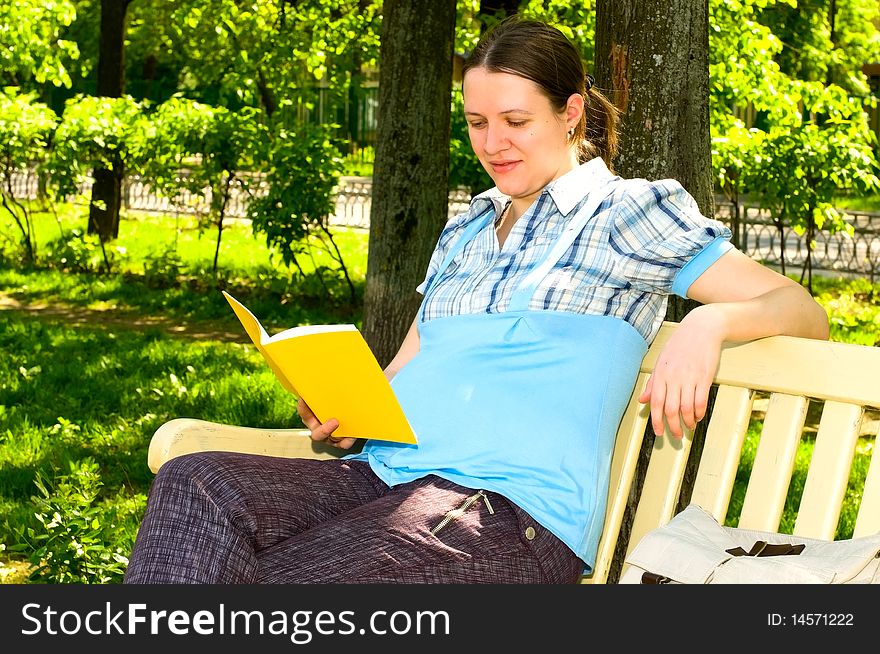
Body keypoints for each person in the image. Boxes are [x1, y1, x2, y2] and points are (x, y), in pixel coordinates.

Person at [124, 17, 829, 584]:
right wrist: (344, 421)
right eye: (476, 123)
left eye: (515, 121)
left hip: (505, 513)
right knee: (199, 482)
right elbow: (405, 369)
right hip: (381, 478)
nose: (493, 143)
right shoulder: (465, 226)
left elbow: (801, 308)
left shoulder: (626, 215)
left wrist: (708, 322)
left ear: (571, 111)